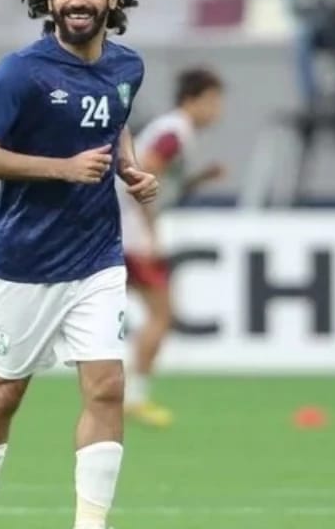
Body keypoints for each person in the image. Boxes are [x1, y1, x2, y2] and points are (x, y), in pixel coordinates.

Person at [0, 0, 157, 529]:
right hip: (24, 260)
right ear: (48, 1)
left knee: (107, 388)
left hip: (97, 256)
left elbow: (114, 120)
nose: (77, 0)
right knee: (2, 394)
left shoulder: (127, 66)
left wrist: (128, 167)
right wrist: (62, 169)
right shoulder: (21, 72)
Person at [118, 67, 226, 428]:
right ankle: (135, 398)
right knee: (162, 314)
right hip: (131, 232)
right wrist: (149, 230)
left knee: (74, 301)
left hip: (120, 227)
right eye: (213, 101)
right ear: (193, 100)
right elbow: (145, 171)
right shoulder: (175, 132)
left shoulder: (173, 131)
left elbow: (162, 182)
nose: (218, 110)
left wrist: (198, 179)